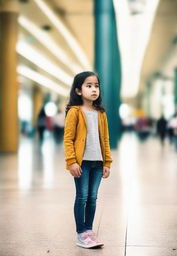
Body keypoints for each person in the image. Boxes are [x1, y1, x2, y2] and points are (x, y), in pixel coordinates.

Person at [64, 71, 112, 249]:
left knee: (93, 198)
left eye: (96, 86)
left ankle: (89, 230)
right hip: (81, 163)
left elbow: (105, 139)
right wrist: (71, 162)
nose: (94, 89)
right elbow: (68, 139)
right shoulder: (74, 112)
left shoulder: (101, 113)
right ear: (78, 90)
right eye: (88, 86)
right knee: (82, 197)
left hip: (98, 163)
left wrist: (107, 162)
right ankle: (81, 233)